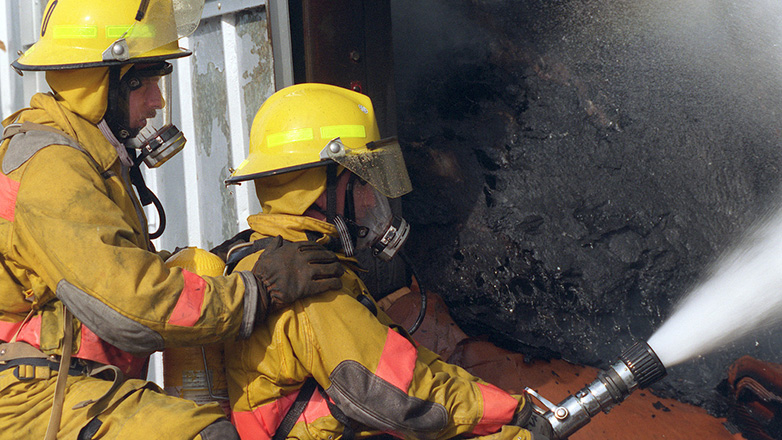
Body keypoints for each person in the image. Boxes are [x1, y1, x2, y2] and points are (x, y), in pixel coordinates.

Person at [0, 2, 342, 439]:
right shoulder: (53, 167)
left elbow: (106, 268)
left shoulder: (83, 155)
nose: (158, 102)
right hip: (33, 399)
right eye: (147, 83)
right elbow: (129, 305)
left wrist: (222, 262)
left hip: (74, 386)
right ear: (101, 83)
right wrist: (260, 290)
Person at [221, 82, 552, 440]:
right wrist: (515, 416)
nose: (372, 201)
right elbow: (401, 395)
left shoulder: (288, 261)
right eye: (363, 181)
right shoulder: (307, 288)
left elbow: (411, 366)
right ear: (319, 189)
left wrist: (500, 407)